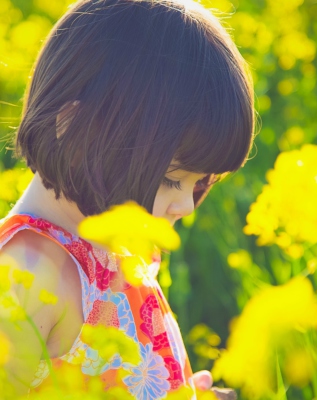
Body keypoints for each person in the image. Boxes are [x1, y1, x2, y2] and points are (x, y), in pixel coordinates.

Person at [0, 0, 254, 398]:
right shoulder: (26, 277)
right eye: (171, 179)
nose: (186, 205)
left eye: (199, 182)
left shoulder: (116, 249)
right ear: (76, 129)